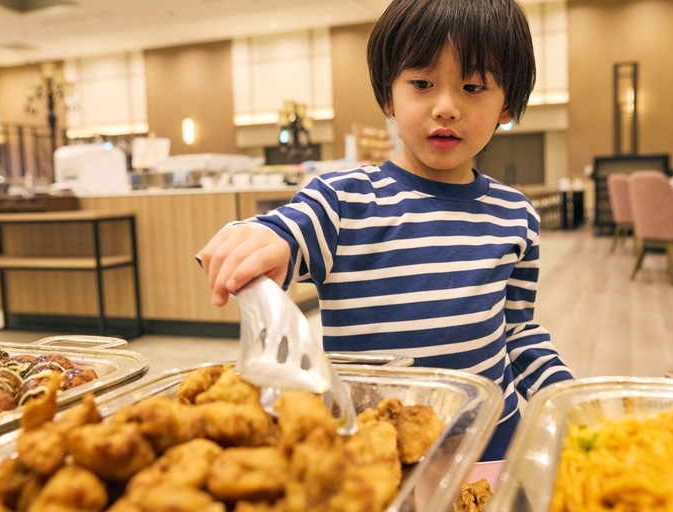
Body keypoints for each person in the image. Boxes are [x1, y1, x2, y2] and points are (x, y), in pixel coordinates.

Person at [199, 0, 573, 461]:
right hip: (377, 448)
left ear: (507, 104)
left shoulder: (515, 214)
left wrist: (565, 394)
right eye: (422, 84)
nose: (446, 107)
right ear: (388, 96)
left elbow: (517, 331)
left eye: (473, 86)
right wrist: (257, 237)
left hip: (490, 443)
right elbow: (287, 231)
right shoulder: (343, 200)